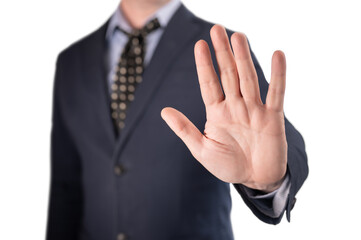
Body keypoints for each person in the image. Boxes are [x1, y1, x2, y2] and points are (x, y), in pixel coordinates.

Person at [46, 0, 308, 239]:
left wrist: (267, 183)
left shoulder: (221, 50)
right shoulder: (72, 61)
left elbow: (273, 135)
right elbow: (65, 188)